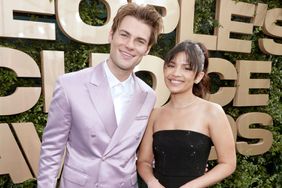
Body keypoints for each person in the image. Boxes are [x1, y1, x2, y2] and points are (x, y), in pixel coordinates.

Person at [37, 3, 163, 188]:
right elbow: (52, 150)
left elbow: (142, 152)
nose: (129, 45)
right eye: (124, 34)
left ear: (148, 49)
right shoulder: (70, 85)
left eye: (140, 41)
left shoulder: (148, 95)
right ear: (111, 34)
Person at [137, 40, 236, 188]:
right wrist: (152, 183)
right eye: (171, 65)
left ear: (198, 76)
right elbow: (143, 161)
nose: (176, 73)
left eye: (187, 68)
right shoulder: (156, 114)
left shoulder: (212, 112)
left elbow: (228, 163)